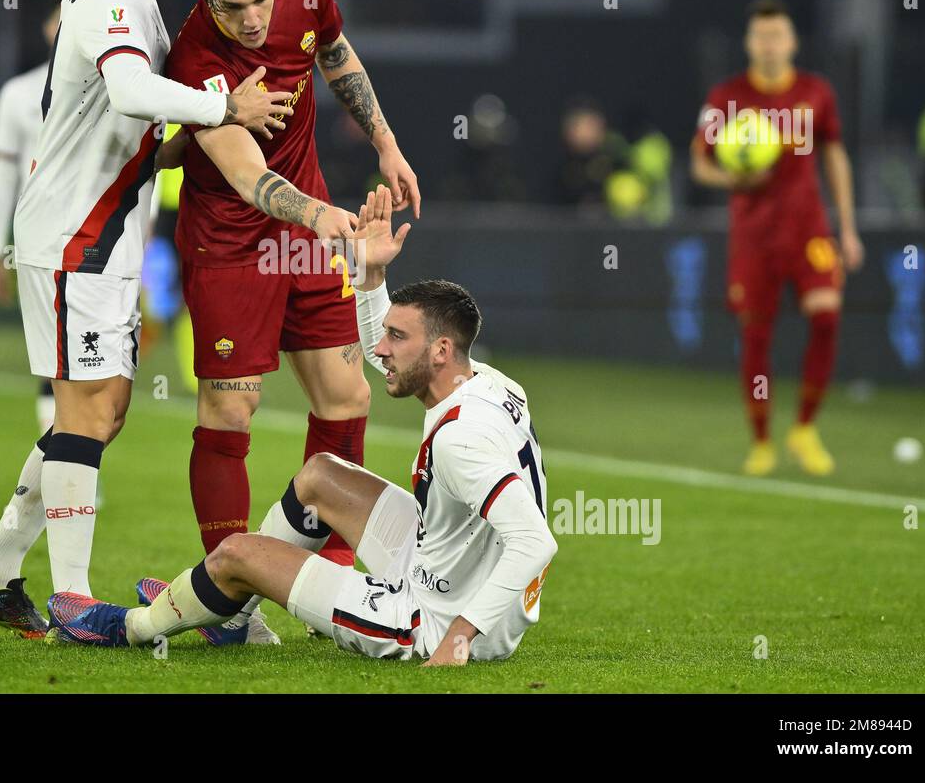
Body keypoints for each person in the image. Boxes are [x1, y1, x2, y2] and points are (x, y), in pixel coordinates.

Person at [0, 0, 292, 639]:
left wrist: (190, 134)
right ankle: (72, 598)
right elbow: (131, 91)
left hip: (101, 232)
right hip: (76, 233)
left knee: (98, 414)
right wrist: (223, 109)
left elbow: (133, 129)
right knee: (89, 409)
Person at [47, 186, 557, 665]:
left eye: (397, 337)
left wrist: (460, 635)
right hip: (450, 570)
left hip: (430, 618)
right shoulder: (487, 382)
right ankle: (231, 617)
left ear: (440, 350)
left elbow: (535, 542)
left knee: (235, 555)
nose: (379, 350)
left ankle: (131, 627)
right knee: (320, 476)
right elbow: (392, 363)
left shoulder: (460, 440)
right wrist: (371, 280)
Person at [152, 0, 422, 642]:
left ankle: (331, 592)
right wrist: (321, 215)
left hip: (307, 230)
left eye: (260, 0)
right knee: (231, 409)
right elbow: (244, 175)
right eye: (233, 6)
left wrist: (386, 142)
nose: (251, 19)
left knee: (347, 394)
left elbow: (334, 53)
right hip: (232, 242)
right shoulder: (195, 60)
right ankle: (226, 599)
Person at [690, 0, 864, 477]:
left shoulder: (815, 92)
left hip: (809, 229)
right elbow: (700, 164)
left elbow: (835, 157)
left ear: (792, 42)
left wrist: (847, 229)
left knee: (826, 316)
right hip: (754, 237)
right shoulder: (726, 98)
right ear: (749, 42)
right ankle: (763, 439)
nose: (769, 44)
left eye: (778, 36)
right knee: (756, 335)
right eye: (761, 36)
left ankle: (805, 427)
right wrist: (734, 179)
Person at [0, 6, 61, 432]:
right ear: (48, 29)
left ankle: (70, 470)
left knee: (102, 372)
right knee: (57, 364)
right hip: (41, 239)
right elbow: (3, 174)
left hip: (106, 237)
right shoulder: (18, 94)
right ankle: (66, 474)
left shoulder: (119, 90)